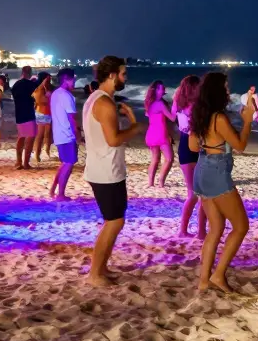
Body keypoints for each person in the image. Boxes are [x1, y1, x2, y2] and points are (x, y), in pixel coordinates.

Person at [187, 72, 255, 293]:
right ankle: (217, 275)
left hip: (201, 170)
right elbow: (240, 145)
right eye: (225, 88)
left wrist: (210, 142)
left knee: (215, 228)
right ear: (217, 92)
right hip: (217, 172)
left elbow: (193, 148)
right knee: (241, 226)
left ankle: (204, 280)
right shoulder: (219, 118)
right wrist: (247, 122)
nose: (228, 92)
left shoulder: (199, 115)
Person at [83, 56, 141, 286]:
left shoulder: (96, 98)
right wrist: (135, 127)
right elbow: (114, 139)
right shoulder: (104, 103)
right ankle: (95, 274)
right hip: (105, 171)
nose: (126, 78)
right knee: (114, 222)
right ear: (112, 75)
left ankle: (102, 269)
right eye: (123, 74)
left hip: (105, 168)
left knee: (114, 220)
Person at [173, 75, 207, 238]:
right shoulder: (194, 106)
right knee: (201, 194)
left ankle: (184, 230)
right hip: (194, 145)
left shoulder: (179, 104)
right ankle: (200, 231)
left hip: (183, 145)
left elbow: (175, 119)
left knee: (192, 194)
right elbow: (199, 128)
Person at [47, 68, 79, 201]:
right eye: (73, 79)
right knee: (68, 163)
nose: (74, 81)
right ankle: (60, 194)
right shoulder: (67, 96)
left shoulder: (55, 94)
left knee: (64, 163)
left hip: (59, 134)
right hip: (67, 134)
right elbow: (72, 118)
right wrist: (77, 134)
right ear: (66, 79)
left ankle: (53, 190)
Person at [143, 80, 176, 187]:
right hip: (161, 134)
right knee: (169, 158)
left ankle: (150, 183)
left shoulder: (149, 103)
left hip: (151, 133)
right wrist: (175, 104)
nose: (164, 90)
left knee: (155, 159)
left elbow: (150, 117)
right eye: (162, 88)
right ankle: (161, 182)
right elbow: (172, 118)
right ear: (156, 90)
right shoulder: (160, 104)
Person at [10, 66, 39, 170]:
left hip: (19, 113)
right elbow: (37, 95)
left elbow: (14, 97)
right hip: (29, 113)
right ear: (30, 73)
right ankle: (26, 163)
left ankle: (18, 162)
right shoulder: (31, 84)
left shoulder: (16, 84)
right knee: (30, 138)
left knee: (21, 137)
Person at [33, 72, 53, 163]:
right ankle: (37, 153)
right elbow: (38, 99)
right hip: (41, 112)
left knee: (48, 134)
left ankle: (47, 151)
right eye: (48, 78)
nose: (50, 79)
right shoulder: (39, 88)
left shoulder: (49, 86)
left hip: (48, 112)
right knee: (40, 135)